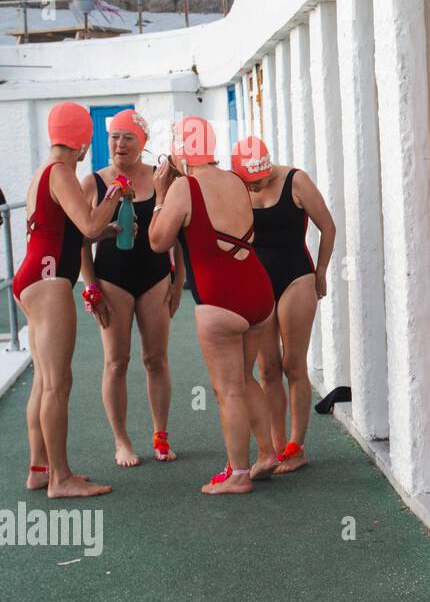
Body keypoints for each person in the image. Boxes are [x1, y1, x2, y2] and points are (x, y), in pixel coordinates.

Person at [148, 116, 278, 494]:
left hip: (219, 299)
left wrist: (159, 196)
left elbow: (158, 241)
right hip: (257, 290)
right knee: (245, 378)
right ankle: (266, 453)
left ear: (177, 151)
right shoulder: (236, 180)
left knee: (228, 390)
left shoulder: (184, 188)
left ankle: (238, 474)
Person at [14, 102, 125, 497]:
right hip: (48, 280)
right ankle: (61, 479)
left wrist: (104, 231)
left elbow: (78, 231)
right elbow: (90, 222)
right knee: (58, 383)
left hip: (34, 275)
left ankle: (40, 469)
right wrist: (115, 191)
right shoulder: (61, 173)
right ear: (81, 144)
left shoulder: (43, 173)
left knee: (45, 380)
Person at [79, 109, 185, 466]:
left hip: (155, 276)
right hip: (112, 278)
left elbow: (179, 232)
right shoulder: (93, 183)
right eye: (114, 137)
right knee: (116, 362)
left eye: (128, 138)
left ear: (142, 143)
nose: (119, 144)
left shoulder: (161, 178)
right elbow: (81, 241)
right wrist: (91, 287)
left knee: (156, 359)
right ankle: (121, 441)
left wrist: (179, 278)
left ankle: (160, 433)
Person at [231, 137, 335, 474]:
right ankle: (276, 448)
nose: (255, 187)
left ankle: (296, 446)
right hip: (258, 281)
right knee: (267, 369)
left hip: (296, 278)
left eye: (259, 181)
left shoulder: (296, 180)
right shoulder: (237, 187)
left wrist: (320, 273)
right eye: (249, 183)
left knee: (293, 363)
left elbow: (328, 226)